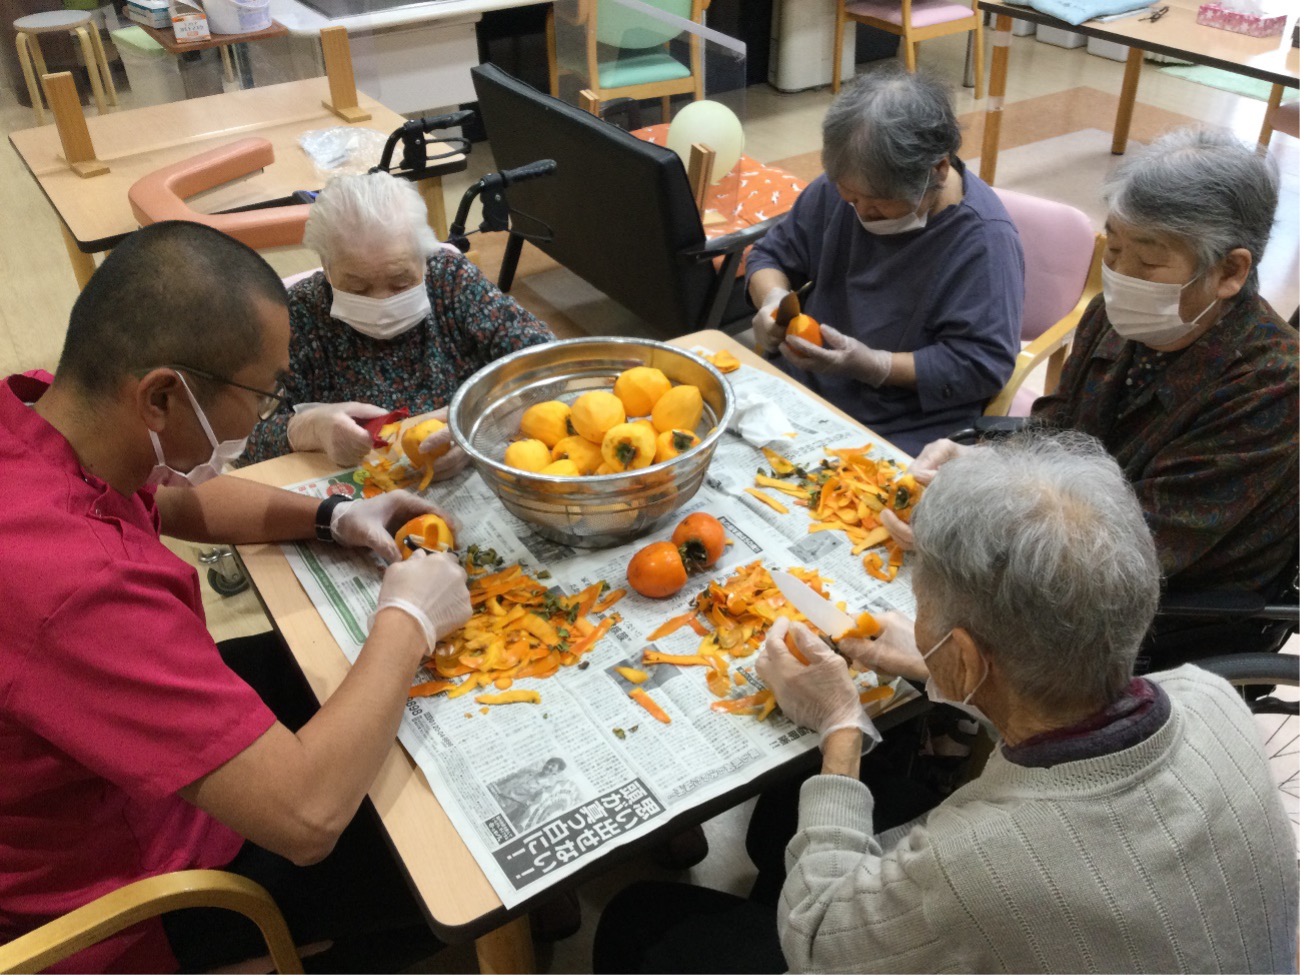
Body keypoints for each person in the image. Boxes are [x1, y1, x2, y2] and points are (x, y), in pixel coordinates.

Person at [592, 432, 1298, 973]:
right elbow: (1062, 716)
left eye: (922, 608)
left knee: (643, 916)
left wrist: (840, 726)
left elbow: (815, 940)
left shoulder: (980, 863)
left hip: (921, 917)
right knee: (783, 818)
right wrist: (935, 666)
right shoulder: (1210, 696)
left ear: (965, 653)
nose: (914, 617)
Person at [0, 222, 475, 972]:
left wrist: (330, 514)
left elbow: (174, 501)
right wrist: (409, 616)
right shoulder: (78, 589)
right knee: (447, 863)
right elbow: (307, 817)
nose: (263, 416)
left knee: (335, 671)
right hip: (147, 887)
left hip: (104, 770)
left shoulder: (44, 420)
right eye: (262, 393)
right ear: (160, 396)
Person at [884, 128, 1299, 666]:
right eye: (1116, 248)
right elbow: (1061, 432)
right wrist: (981, 463)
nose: (1122, 277)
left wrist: (982, 514)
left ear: (1230, 271)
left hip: (1162, 601)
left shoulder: (1271, 387)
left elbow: (1146, 543)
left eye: (1148, 264)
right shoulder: (1117, 317)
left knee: (930, 637)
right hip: (1071, 539)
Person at [745, 67, 1023, 455]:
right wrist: (772, 299)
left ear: (938, 170)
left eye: (876, 204)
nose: (861, 213)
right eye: (850, 198)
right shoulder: (845, 183)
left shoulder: (984, 242)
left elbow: (980, 365)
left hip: (902, 421)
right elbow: (772, 254)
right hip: (803, 388)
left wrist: (875, 365)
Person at [239, 171, 555, 470]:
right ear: (326, 266)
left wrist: (482, 422)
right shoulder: (298, 316)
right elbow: (239, 441)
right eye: (357, 287)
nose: (382, 301)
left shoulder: (450, 281)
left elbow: (550, 362)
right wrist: (305, 429)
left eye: (401, 283)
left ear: (423, 257)